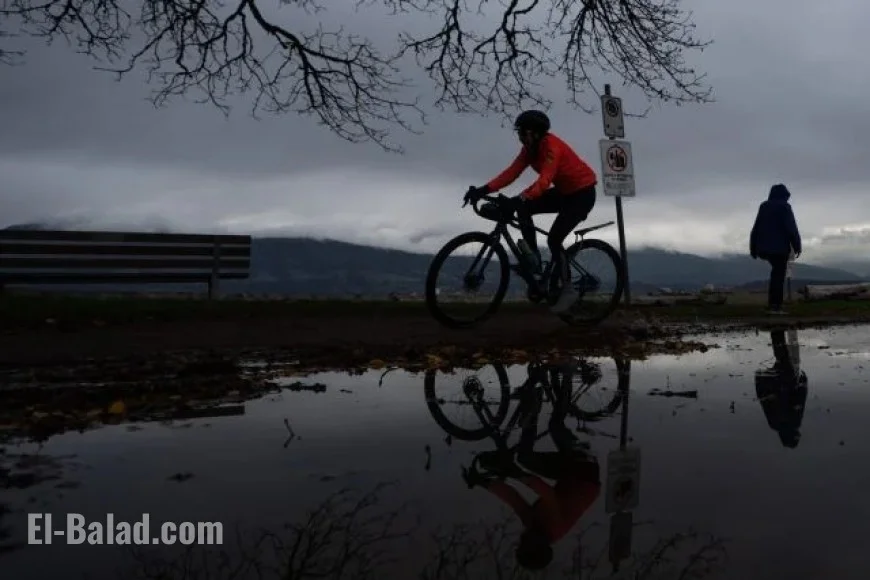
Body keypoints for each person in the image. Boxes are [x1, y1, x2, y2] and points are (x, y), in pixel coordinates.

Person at [463, 361, 601, 570]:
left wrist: (482, 482)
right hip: (584, 472)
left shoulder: (532, 528)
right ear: (536, 546)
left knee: (525, 457)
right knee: (555, 426)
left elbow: (514, 500)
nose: (520, 540)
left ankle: (533, 402)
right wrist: (517, 475)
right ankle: (565, 373)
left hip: (569, 479)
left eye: (519, 545)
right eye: (522, 545)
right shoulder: (553, 527)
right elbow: (547, 494)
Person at [464, 110, 598, 314]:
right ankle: (533, 261)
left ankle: (568, 290)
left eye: (522, 132)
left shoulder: (552, 147)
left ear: (535, 133)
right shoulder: (529, 150)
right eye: (518, 132)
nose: (519, 136)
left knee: (554, 239)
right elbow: (511, 173)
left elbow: (544, 180)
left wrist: (520, 198)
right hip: (564, 192)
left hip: (582, 194)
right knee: (524, 208)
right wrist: (483, 189)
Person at [749, 183, 802, 314]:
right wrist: (797, 246)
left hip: (764, 248)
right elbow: (791, 228)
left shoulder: (764, 206)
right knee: (778, 275)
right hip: (780, 248)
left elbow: (756, 227)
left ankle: (773, 304)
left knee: (776, 273)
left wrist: (753, 247)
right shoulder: (785, 207)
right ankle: (776, 306)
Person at [754, 329, 808, 448]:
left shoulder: (794, 423)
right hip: (772, 385)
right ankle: (776, 333)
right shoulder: (774, 425)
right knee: (782, 356)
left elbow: (799, 400)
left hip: (784, 383)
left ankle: (779, 331)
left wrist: (803, 383)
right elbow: (765, 403)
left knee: (786, 357)